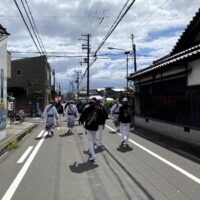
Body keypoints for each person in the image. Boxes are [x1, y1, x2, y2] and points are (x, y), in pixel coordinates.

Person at [79, 98, 99, 162]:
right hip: (95, 128)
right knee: (93, 141)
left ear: (89, 104)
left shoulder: (86, 109)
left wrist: (83, 124)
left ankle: (93, 156)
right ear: (94, 104)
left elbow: (81, 118)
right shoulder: (97, 109)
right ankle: (91, 152)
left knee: (90, 141)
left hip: (89, 127)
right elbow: (103, 116)